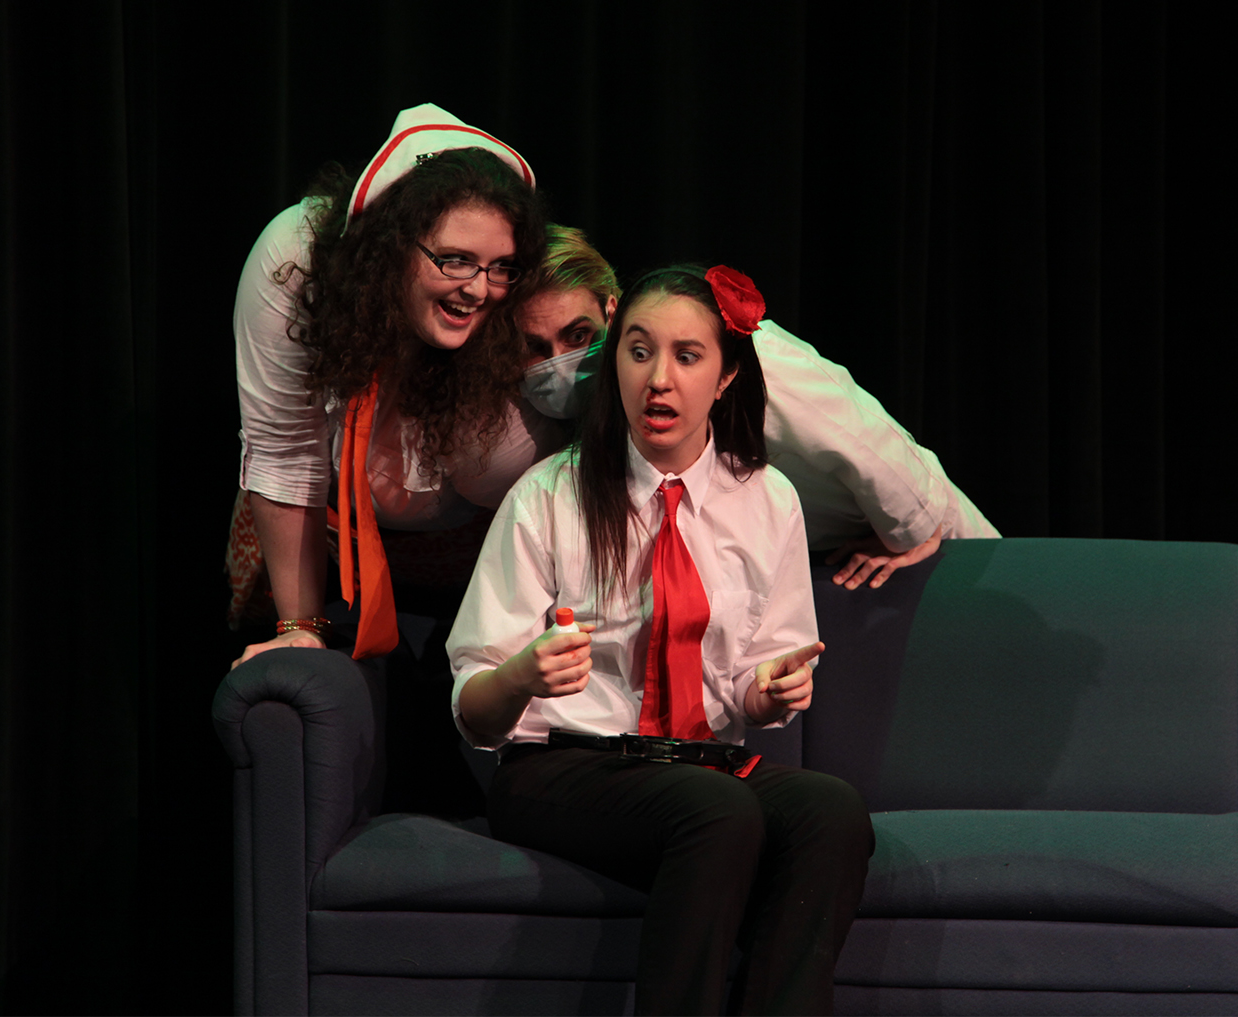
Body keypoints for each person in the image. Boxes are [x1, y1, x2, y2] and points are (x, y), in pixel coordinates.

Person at [449, 264, 874, 1015]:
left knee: (832, 811)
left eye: (687, 355)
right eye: (639, 351)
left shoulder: (767, 499)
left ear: (727, 375)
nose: (659, 380)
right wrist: (523, 673)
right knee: (717, 811)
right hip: (563, 769)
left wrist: (769, 690)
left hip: (698, 762)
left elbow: (749, 686)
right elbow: (476, 714)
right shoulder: (551, 495)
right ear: (613, 362)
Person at [231, 103, 559, 667]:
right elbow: (283, 452)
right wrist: (301, 627)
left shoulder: (525, 295)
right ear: (390, 246)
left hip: (484, 556)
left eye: (500, 266)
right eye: (454, 260)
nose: (479, 290)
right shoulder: (298, 257)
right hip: (330, 542)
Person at [516, 226, 1000, 591]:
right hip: (814, 559)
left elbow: (857, 433)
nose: (558, 363)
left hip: (913, 534)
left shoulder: (743, 355)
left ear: (611, 311)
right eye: (536, 347)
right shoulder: (612, 389)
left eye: (578, 337)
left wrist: (909, 529)